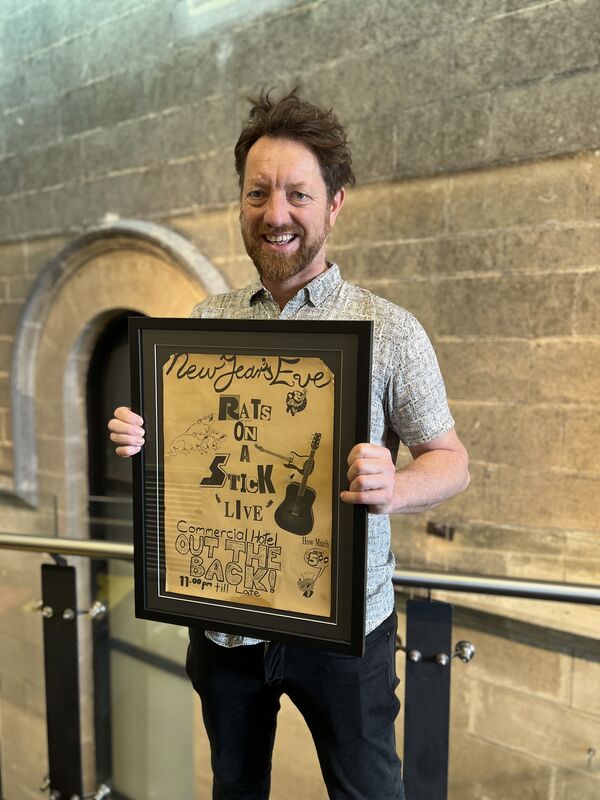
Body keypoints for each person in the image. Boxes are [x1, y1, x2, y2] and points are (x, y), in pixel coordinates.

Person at [108, 89, 469, 800]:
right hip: (224, 630)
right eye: (258, 193)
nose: (276, 214)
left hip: (346, 636)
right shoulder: (204, 322)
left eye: (298, 194)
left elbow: (451, 461)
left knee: (368, 792)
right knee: (235, 788)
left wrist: (395, 486)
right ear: (241, 202)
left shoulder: (390, 329)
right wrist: (144, 437)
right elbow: (192, 453)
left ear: (334, 204)